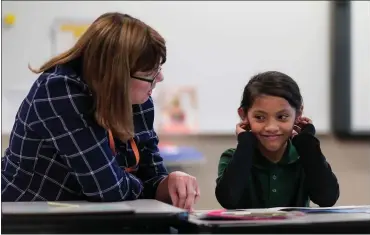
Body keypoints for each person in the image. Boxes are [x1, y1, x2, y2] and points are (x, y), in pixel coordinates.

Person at [1, 12, 200, 210]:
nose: (159, 78)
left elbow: (152, 174)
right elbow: (107, 188)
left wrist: (171, 181)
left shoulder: (138, 100)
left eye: (158, 68)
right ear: (117, 75)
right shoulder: (59, 90)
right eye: (150, 73)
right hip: (22, 216)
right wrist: (148, 187)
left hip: (82, 217)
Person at [215, 71, 339, 209]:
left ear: (298, 114)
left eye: (282, 117)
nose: (271, 127)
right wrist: (245, 144)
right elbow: (228, 199)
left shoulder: (306, 156)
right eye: (260, 117)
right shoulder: (232, 157)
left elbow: (327, 199)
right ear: (244, 115)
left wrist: (307, 143)